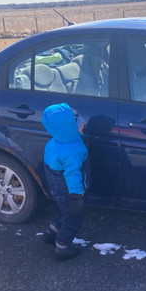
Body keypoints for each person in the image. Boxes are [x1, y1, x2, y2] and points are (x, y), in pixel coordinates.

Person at [41, 103, 88, 259]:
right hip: (69, 191)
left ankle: (50, 233)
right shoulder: (74, 150)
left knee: (64, 212)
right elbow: (73, 174)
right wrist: (76, 196)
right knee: (74, 217)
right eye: (80, 126)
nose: (83, 128)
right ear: (68, 129)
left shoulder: (53, 143)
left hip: (56, 188)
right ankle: (63, 246)